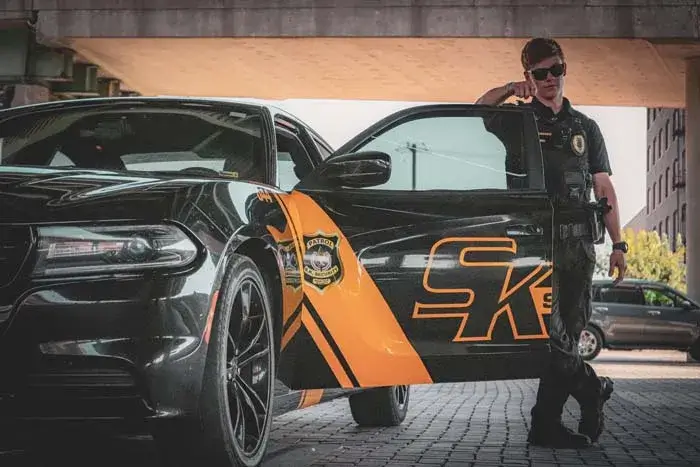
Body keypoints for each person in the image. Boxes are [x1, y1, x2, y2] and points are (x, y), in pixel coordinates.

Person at [475, 37, 628, 448]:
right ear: (529, 75)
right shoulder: (518, 121)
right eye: (540, 73)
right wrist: (509, 89)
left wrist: (619, 244)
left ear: (564, 69)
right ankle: (592, 390)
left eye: (555, 69)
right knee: (548, 336)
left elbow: (603, 187)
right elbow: (478, 110)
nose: (549, 79)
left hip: (579, 248)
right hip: (535, 249)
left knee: (569, 335)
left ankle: (545, 424)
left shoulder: (586, 128)